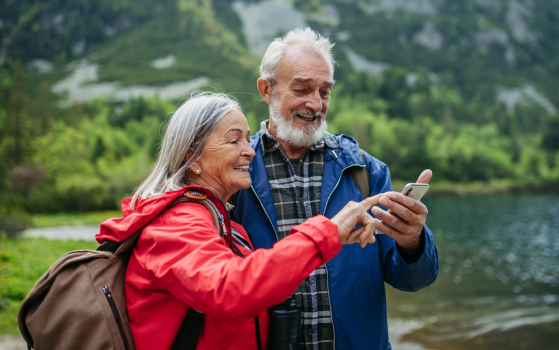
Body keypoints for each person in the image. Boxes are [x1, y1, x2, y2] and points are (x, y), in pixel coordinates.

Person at [95, 92, 383, 350]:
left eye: (247, 138)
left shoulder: (222, 222)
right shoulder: (175, 223)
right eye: (234, 140)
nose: (250, 150)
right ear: (192, 157)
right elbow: (230, 288)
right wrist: (327, 232)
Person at [230, 28, 439, 350]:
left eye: (325, 92)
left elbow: (411, 280)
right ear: (266, 90)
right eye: (302, 89)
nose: (315, 104)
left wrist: (412, 241)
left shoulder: (366, 171)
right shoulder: (235, 171)